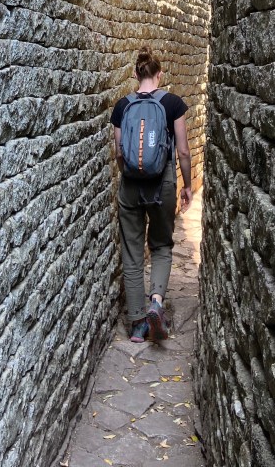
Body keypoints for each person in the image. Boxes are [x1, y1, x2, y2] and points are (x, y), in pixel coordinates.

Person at [110, 47, 193, 343]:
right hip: (163, 184)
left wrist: (129, 176)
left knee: (132, 253)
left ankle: (137, 323)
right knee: (160, 245)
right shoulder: (172, 104)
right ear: (160, 75)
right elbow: (183, 150)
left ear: (135, 74)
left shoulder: (122, 106)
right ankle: (156, 303)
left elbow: (120, 152)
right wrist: (186, 185)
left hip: (131, 186)